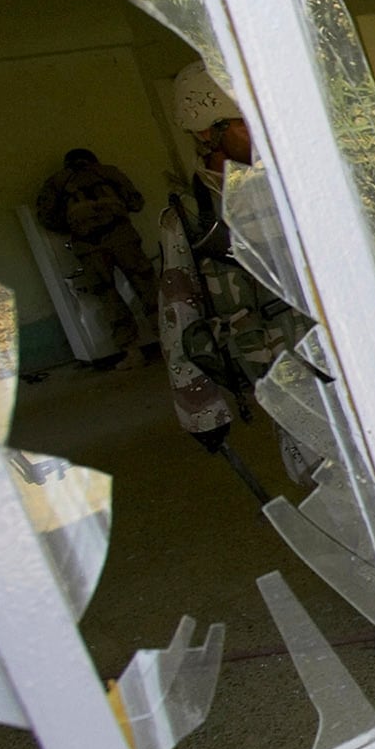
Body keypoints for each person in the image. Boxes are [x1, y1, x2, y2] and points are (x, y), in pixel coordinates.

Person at [157, 60, 313, 483]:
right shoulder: (189, 218)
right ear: (208, 132)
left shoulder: (295, 190)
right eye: (245, 123)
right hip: (277, 371)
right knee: (327, 476)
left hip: (337, 353)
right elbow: (178, 314)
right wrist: (199, 407)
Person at [35, 147, 158, 362]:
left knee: (107, 296)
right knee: (148, 287)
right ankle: (170, 340)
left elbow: (46, 218)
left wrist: (76, 228)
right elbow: (135, 202)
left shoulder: (56, 182)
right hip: (121, 235)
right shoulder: (109, 172)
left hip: (87, 244)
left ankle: (131, 351)